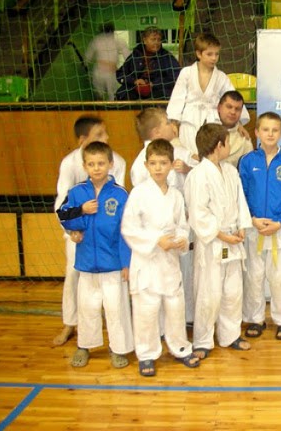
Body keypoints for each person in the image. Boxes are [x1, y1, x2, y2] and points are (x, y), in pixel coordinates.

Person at [121, 139, 200, 377]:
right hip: (147, 260)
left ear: (171, 165)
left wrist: (181, 240)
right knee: (147, 309)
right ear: (146, 165)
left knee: (175, 307)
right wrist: (157, 240)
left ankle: (181, 347)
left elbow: (183, 225)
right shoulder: (138, 194)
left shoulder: (176, 195)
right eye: (153, 163)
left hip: (169, 260)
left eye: (163, 163)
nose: (158, 168)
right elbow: (128, 228)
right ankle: (146, 354)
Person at [56, 141, 134, 369]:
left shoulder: (120, 195)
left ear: (110, 164)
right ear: (85, 166)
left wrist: (126, 263)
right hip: (87, 262)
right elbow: (63, 215)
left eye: (101, 163)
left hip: (113, 264)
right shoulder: (77, 192)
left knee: (116, 308)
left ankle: (118, 348)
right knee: (87, 307)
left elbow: (125, 232)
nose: (97, 168)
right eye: (91, 164)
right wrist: (78, 219)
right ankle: (85, 345)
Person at [184, 123, 253, 359]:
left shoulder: (231, 171)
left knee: (233, 291)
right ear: (219, 145)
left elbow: (240, 201)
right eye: (228, 142)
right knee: (208, 293)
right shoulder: (197, 175)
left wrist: (242, 227)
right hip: (213, 242)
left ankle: (230, 335)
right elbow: (197, 213)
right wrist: (221, 234)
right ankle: (203, 340)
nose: (230, 146)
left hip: (233, 239)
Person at [238, 112, 281, 341]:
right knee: (254, 278)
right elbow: (241, 194)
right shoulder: (247, 162)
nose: (270, 134)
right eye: (265, 129)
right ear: (256, 132)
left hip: (280, 230)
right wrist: (252, 218)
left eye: (275, 130)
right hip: (254, 228)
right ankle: (255, 319)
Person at [167, 33, 250, 155]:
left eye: (216, 54)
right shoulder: (187, 73)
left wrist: (239, 124)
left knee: (211, 153)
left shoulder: (221, 77)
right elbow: (177, 97)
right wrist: (174, 122)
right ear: (199, 54)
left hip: (212, 120)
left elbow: (233, 99)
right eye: (209, 54)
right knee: (190, 154)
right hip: (189, 119)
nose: (214, 58)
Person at [130, 107, 197, 193]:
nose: (173, 126)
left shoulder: (179, 152)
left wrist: (188, 169)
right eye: (168, 123)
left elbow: (200, 167)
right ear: (157, 132)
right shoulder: (140, 164)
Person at [115, 26, 181, 100]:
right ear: (145, 40)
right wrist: (134, 81)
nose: (156, 42)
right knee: (125, 95)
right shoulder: (135, 55)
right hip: (135, 90)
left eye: (159, 40)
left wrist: (153, 84)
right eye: (153, 39)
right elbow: (120, 74)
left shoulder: (166, 56)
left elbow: (177, 76)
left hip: (158, 91)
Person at [85, 22, 131, 101]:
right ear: (113, 30)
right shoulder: (118, 40)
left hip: (98, 72)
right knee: (112, 96)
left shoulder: (96, 40)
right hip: (111, 72)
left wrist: (85, 64)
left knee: (99, 95)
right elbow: (128, 56)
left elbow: (87, 57)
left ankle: (98, 110)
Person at [217, 90, 254, 166]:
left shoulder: (245, 141)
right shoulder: (205, 132)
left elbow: (248, 173)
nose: (233, 112)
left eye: (237, 109)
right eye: (229, 107)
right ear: (219, 108)